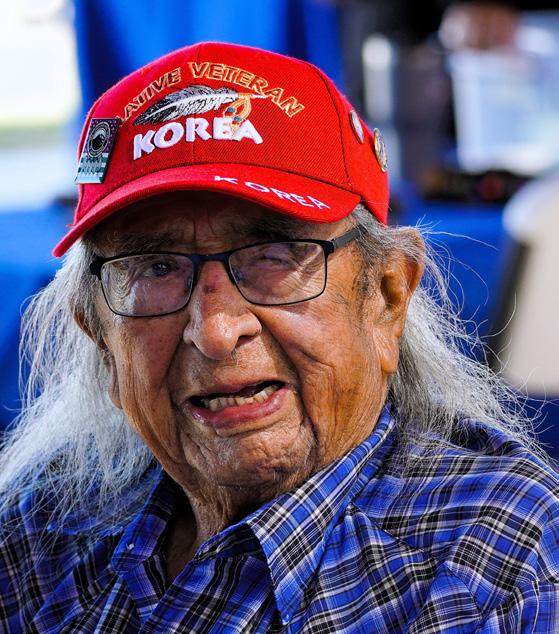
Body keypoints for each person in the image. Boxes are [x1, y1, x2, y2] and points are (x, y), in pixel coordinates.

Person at [0, 42, 557, 633]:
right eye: (156, 269)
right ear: (103, 340)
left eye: (275, 255)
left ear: (387, 297)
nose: (216, 331)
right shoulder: (42, 534)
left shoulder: (500, 568)